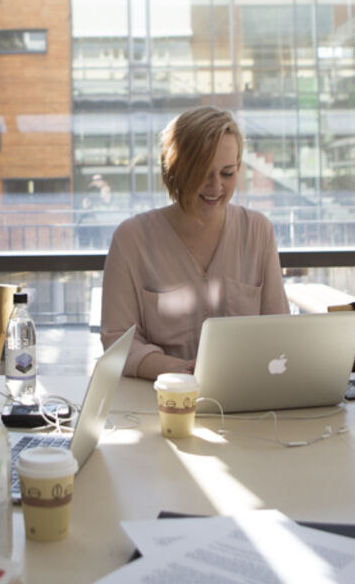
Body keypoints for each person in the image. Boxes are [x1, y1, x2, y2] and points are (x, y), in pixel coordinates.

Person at [100, 106, 286, 379]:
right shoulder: (131, 239)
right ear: (175, 169)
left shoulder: (258, 231)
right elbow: (118, 343)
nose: (215, 187)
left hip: (247, 398)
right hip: (159, 399)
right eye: (203, 172)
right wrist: (182, 370)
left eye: (227, 173)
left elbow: (280, 332)